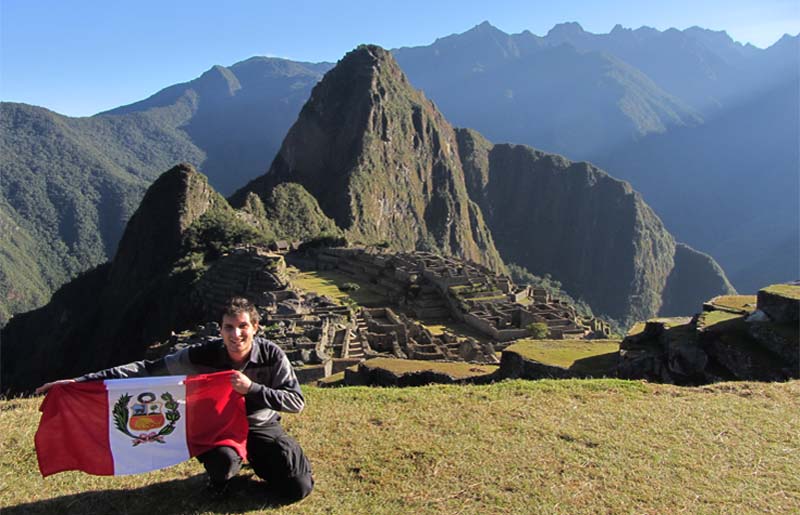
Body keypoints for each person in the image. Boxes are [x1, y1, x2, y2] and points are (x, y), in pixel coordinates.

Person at [36, 297, 314, 503]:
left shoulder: (272, 355)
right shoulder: (201, 356)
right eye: (229, 327)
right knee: (223, 462)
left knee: (298, 487)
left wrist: (252, 388)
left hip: (259, 425)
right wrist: (81, 382)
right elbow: (148, 369)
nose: (235, 334)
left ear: (255, 327)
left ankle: (258, 458)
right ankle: (222, 478)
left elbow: (295, 401)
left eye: (242, 327)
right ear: (220, 329)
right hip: (217, 429)